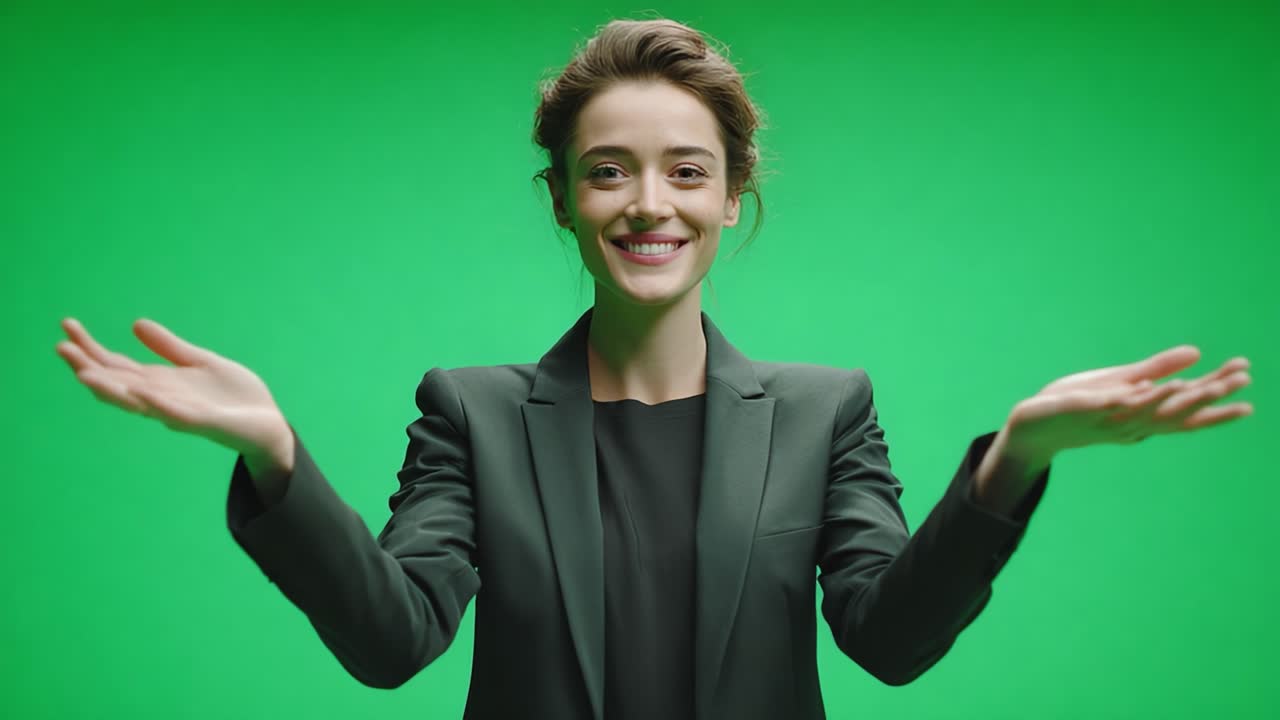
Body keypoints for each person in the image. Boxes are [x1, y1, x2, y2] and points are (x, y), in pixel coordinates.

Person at [54, 17, 1254, 720]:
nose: (647, 203)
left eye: (686, 170)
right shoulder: (468, 412)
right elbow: (394, 642)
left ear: (732, 200)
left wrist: (1015, 461)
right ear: (564, 203)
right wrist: (273, 457)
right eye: (607, 170)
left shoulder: (823, 410)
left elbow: (887, 641)